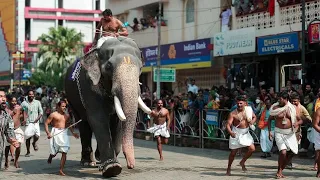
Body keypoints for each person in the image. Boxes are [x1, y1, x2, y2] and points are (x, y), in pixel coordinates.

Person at [268, 91, 303, 178]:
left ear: (285, 99)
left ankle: (280, 170)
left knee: (293, 152)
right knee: (283, 152)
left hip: (290, 133)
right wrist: (269, 131)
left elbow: (301, 120)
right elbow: (269, 119)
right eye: (278, 99)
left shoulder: (292, 108)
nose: (279, 101)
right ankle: (279, 171)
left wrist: (297, 124)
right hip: (279, 132)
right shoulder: (275, 108)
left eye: (280, 99)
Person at [44, 100, 79, 176]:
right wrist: (48, 133)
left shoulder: (67, 115)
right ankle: (51, 156)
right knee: (54, 152)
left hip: (64, 133)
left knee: (64, 151)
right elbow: (46, 123)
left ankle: (61, 170)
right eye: (62, 106)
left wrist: (73, 133)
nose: (64, 108)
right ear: (58, 106)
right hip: (55, 133)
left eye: (65, 106)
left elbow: (69, 124)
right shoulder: (53, 114)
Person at [226, 95, 256, 176]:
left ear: (245, 103)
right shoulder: (233, 113)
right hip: (236, 133)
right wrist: (231, 132)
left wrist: (252, 122)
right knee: (233, 153)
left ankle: (242, 161)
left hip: (246, 133)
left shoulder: (249, 110)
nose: (239, 105)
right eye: (238, 103)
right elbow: (228, 124)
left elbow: (254, 117)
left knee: (252, 149)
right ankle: (229, 168)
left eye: (241, 103)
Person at [0, 90, 19, 170]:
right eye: (1, 96)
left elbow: (9, 131)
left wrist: (12, 140)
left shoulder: (6, 116)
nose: (4, 99)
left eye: (4, 96)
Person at [21, 90, 43, 157]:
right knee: (28, 137)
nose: (31, 95)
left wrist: (37, 119)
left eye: (32, 94)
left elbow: (41, 112)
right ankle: (28, 152)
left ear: (34, 95)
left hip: (35, 122)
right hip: (28, 123)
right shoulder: (24, 103)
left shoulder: (37, 102)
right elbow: (22, 111)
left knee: (37, 136)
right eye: (29, 94)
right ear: (27, 95)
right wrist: (23, 120)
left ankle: (34, 143)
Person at [4, 96, 23, 169]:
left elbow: (24, 111)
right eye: (13, 101)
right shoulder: (5, 109)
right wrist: (12, 113)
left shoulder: (19, 107)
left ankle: (16, 161)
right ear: (8, 101)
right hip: (8, 130)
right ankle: (6, 160)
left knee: (19, 145)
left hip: (17, 129)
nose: (14, 103)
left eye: (15, 101)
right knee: (8, 146)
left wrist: (23, 119)